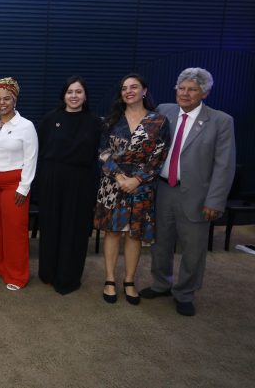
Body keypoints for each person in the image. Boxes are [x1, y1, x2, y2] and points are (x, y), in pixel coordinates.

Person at [140, 68, 235, 316]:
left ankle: (184, 293)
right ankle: (161, 284)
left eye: (192, 89)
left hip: (197, 196)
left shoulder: (220, 121)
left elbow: (224, 165)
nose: (185, 93)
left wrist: (215, 201)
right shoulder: (164, 110)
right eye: (181, 88)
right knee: (160, 243)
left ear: (204, 93)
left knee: (193, 249)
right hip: (163, 189)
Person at [94, 74, 169, 305]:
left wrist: (136, 179)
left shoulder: (159, 121)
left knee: (134, 234)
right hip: (112, 184)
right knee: (112, 232)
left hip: (141, 187)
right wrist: (119, 177)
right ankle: (109, 279)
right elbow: (103, 152)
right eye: (124, 88)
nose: (129, 91)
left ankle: (129, 281)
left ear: (144, 91)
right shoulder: (110, 121)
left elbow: (159, 156)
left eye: (134, 87)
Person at [36, 76, 102, 295]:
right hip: (52, 180)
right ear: (63, 95)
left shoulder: (95, 122)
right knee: (51, 227)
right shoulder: (50, 119)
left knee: (74, 230)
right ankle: (48, 273)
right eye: (70, 92)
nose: (74, 96)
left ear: (85, 96)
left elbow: (98, 156)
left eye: (78, 92)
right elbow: (40, 152)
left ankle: (68, 278)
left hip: (81, 182)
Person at [0, 77, 38, 291]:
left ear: (15, 99)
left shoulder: (26, 126)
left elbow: (31, 158)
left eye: (6, 98)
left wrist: (24, 188)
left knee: (15, 231)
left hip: (14, 183)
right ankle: (0, 266)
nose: (2, 103)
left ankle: (17, 275)